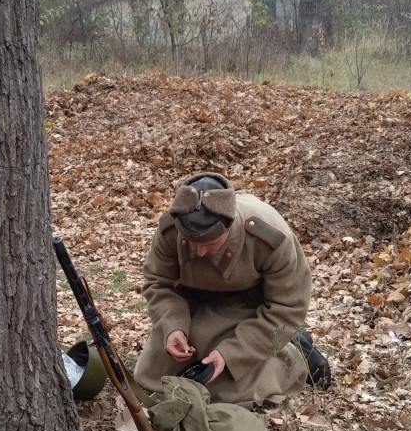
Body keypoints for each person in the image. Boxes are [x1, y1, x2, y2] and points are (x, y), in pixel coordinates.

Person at [133, 172, 331, 405]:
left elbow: (287, 307)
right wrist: (173, 326)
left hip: (248, 307)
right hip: (193, 301)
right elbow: (158, 282)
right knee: (152, 378)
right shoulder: (172, 227)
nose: (200, 252)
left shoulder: (270, 237)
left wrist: (231, 354)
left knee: (228, 393)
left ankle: (294, 351)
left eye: (210, 244)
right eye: (193, 243)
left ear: (229, 228)